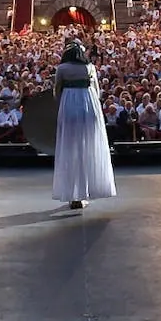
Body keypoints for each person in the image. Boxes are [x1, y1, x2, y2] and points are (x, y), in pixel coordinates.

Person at [52, 38, 116, 210]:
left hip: (69, 105)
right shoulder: (89, 67)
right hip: (88, 104)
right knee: (87, 146)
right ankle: (87, 190)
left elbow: (56, 90)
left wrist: (62, 106)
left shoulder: (62, 69)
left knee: (71, 148)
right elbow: (96, 90)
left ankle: (74, 193)